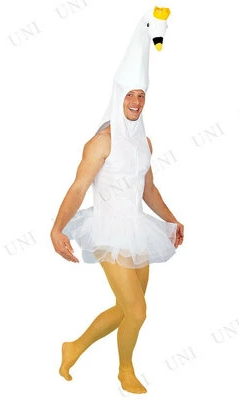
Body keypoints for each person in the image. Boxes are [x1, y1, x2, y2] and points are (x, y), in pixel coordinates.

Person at [51, 87, 184, 394]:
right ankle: (125, 371)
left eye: (141, 95)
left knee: (126, 309)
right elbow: (78, 188)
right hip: (107, 231)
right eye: (129, 95)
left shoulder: (144, 143)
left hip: (137, 231)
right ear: (117, 98)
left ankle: (74, 347)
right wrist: (58, 228)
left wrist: (172, 220)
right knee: (137, 311)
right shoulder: (101, 142)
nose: (136, 102)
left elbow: (148, 189)